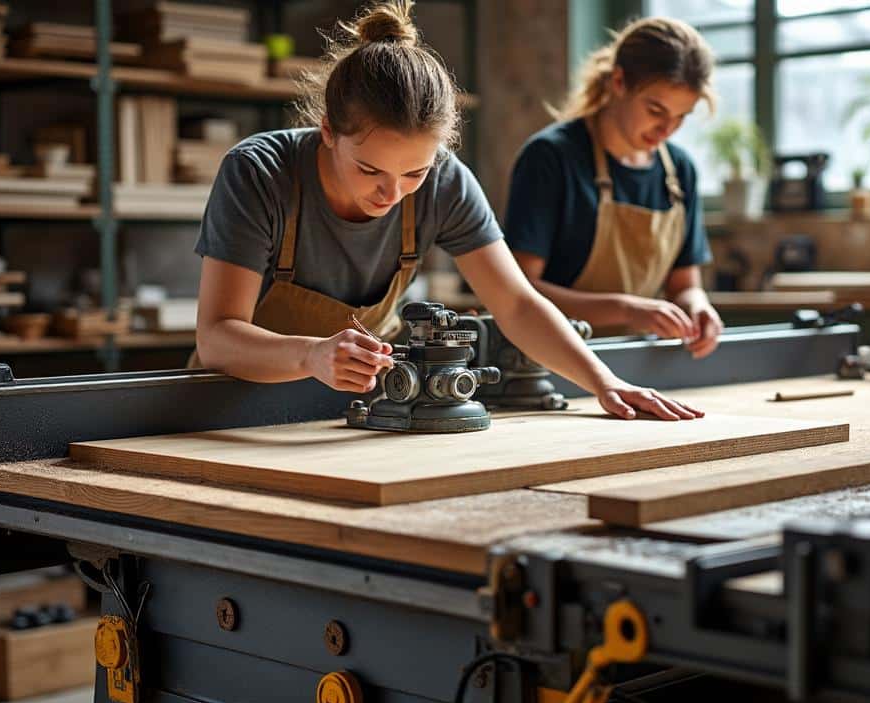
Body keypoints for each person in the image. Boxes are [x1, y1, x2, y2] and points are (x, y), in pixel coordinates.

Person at [192, 1, 701, 421]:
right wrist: (310, 354)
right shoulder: (260, 173)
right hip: (231, 408)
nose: (391, 194)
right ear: (328, 131)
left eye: (413, 174)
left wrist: (603, 382)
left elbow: (518, 305)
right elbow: (217, 337)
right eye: (370, 171)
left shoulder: (445, 180)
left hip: (357, 408)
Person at [503, 17, 724, 358]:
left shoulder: (679, 172)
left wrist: (698, 306)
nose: (667, 129)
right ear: (618, 81)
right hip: (550, 359)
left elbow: (684, 285)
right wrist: (627, 309)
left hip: (636, 361)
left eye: (682, 116)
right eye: (656, 110)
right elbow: (517, 290)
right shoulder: (550, 158)